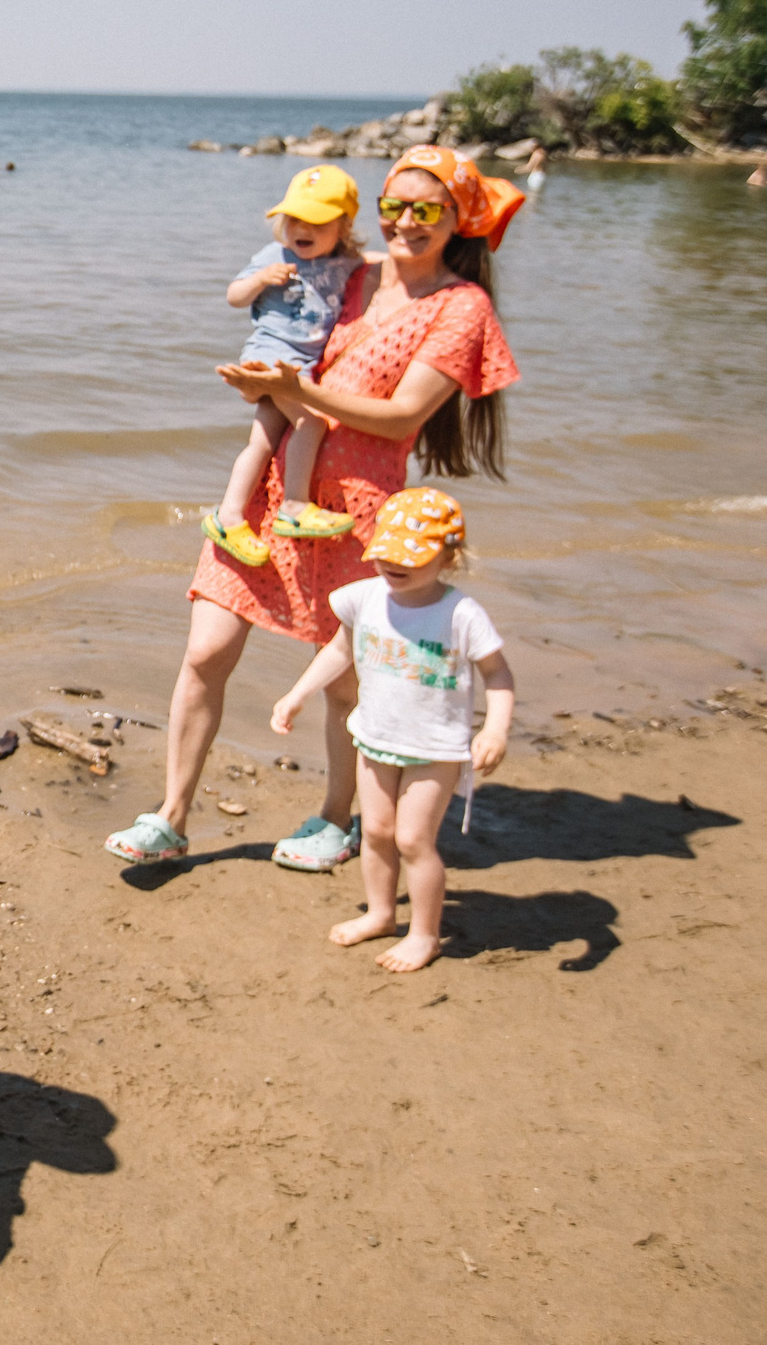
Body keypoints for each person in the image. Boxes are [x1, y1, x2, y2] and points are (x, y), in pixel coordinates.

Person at [106, 144, 522, 872]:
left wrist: (296, 393)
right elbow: (275, 328)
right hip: (272, 493)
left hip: (358, 512)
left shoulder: (463, 307)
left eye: (427, 210)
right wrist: (260, 383)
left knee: (345, 683)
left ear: (459, 219)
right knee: (205, 651)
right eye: (395, 205)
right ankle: (170, 814)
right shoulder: (346, 271)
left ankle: (337, 817)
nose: (407, 222)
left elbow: (399, 417)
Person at [268, 488, 515, 972]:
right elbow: (338, 653)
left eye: (409, 558)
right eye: (385, 553)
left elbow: (498, 675)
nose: (392, 566)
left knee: (412, 840)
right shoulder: (365, 598)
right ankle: (381, 914)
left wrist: (496, 730)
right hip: (374, 736)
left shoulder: (460, 613)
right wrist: (296, 695)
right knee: (377, 831)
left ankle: (424, 935)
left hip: (434, 747)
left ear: (450, 557)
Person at [203, 165, 367, 567]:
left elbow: (378, 266)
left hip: (301, 369)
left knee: (262, 442)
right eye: (293, 218)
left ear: (343, 227)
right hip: (271, 357)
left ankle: (229, 516)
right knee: (310, 423)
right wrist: (261, 279)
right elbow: (233, 296)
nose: (300, 228)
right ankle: (294, 506)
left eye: (315, 221)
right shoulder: (273, 256)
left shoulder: (348, 262)